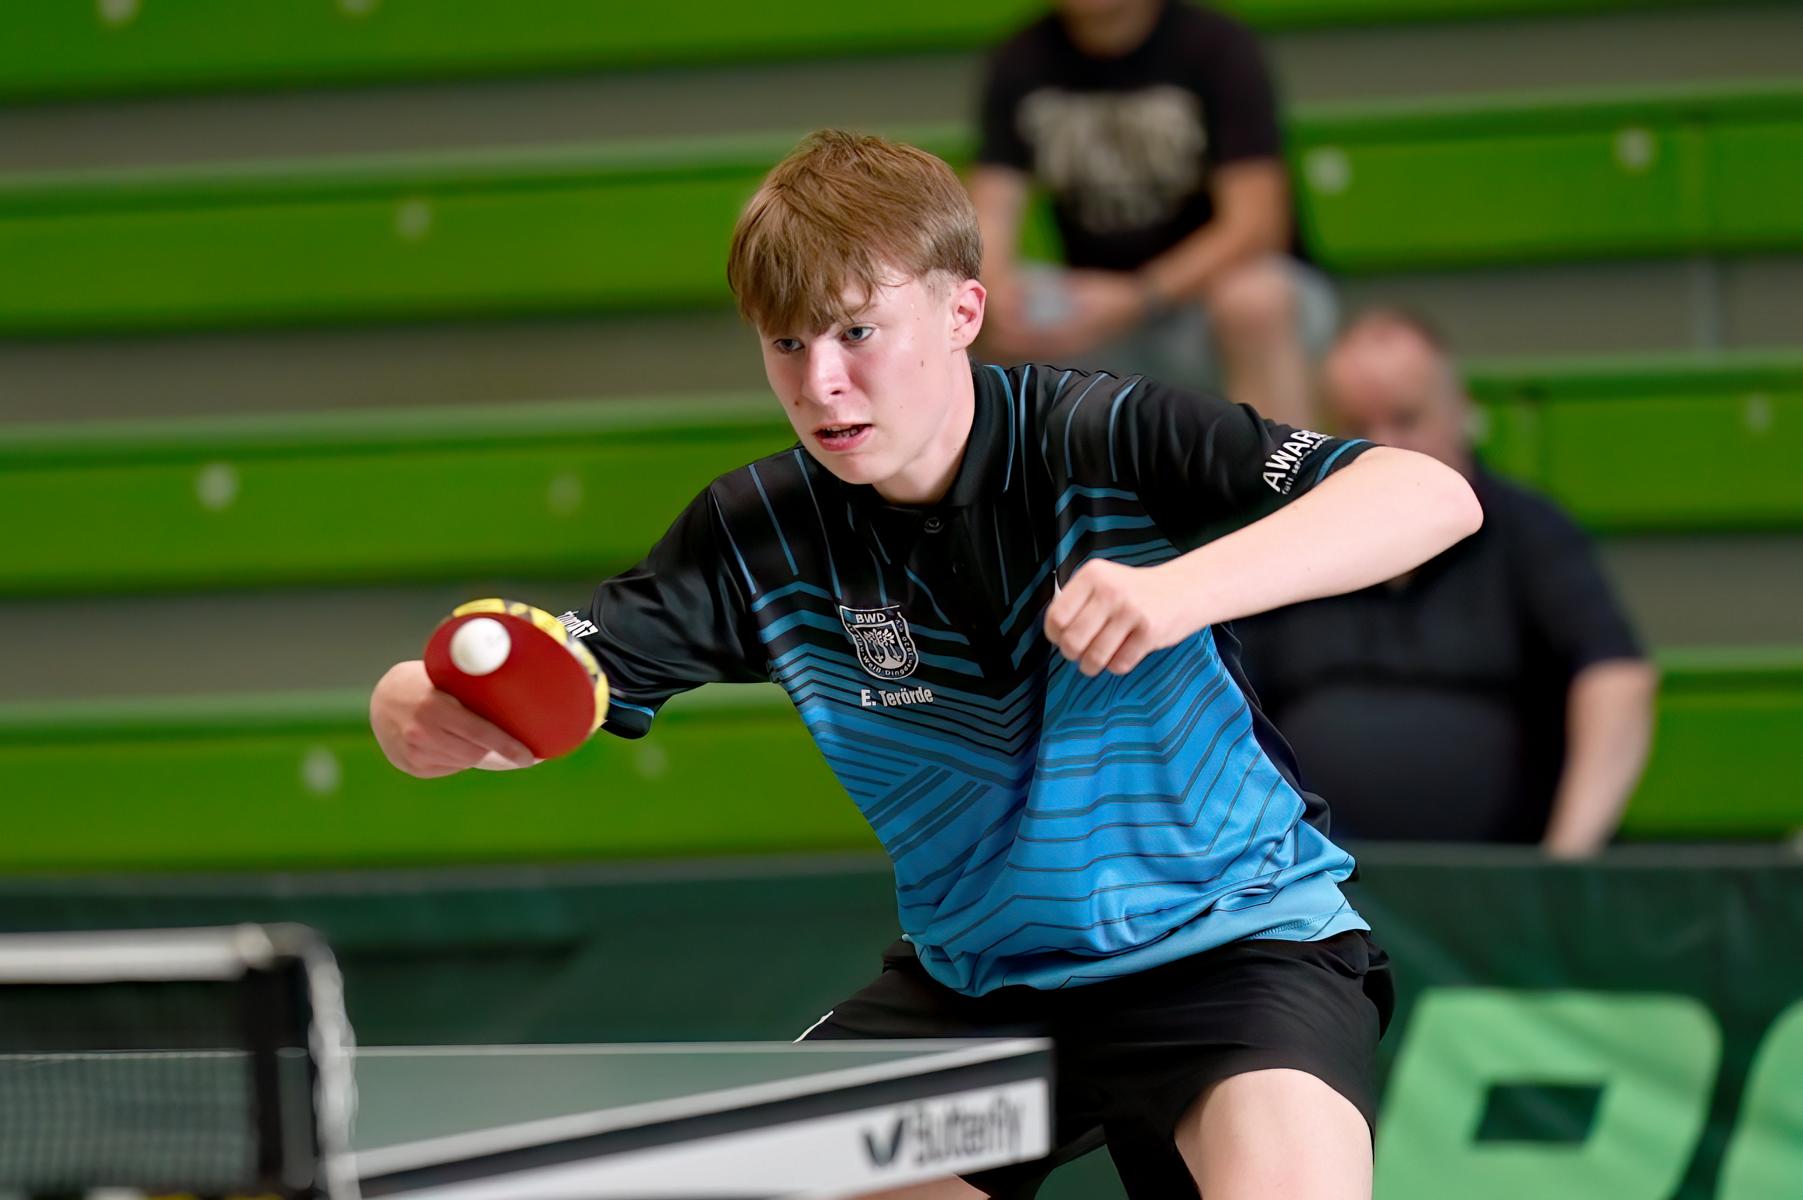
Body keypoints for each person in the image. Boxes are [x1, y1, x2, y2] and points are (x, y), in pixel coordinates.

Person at [370, 132, 1482, 1198]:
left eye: (857, 331)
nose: (822, 383)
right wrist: (414, 709)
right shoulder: (756, 536)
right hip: (979, 989)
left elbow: (1429, 494)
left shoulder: (1098, 434)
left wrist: (1179, 589)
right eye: (787, 345)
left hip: (1233, 949)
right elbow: (549, 675)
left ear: (963, 312)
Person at [1234, 310, 1658, 855]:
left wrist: (1564, 865)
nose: (1384, 447)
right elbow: (1223, 707)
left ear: (1460, 411)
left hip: (1502, 877)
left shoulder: (1530, 531)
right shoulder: (1285, 543)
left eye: (1407, 419)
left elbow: (1617, 677)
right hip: (1313, 881)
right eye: (1358, 426)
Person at [969, 0, 1330, 429]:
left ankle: (1280, 465)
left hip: (1203, 304)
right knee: (965, 307)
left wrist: (1138, 296)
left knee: (1253, 300)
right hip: (1093, 303)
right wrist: (999, 293)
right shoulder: (1022, 58)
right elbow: (990, 215)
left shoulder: (1217, 47)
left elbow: (1255, 226)